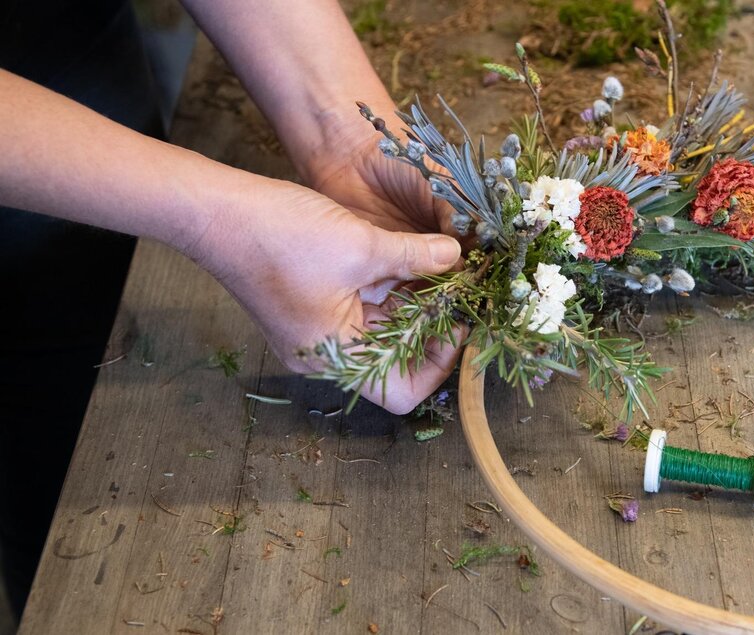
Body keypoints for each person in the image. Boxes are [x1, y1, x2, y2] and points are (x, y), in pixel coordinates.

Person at [0, 0, 464, 617]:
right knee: (60, 471)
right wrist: (219, 220)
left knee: (96, 334)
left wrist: (349, 139)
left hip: (58, 41)